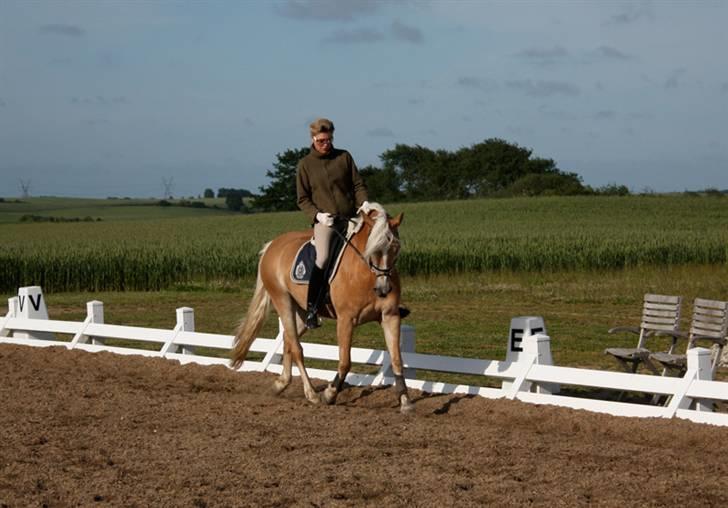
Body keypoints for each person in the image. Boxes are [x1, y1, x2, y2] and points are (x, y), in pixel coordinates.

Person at [296, 118, 371, 329]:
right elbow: (302, 199)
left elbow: (358, 184)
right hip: (326, 223)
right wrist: (318, 216)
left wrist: (363, 202)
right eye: (321, 141)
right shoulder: (305, 165)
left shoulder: (344, 157)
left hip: (350, 217)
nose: (325, 144)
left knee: (373, 244)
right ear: (313, 139)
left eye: (328, 140)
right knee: (323, 257)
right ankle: (312, 308)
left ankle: (383, 296)